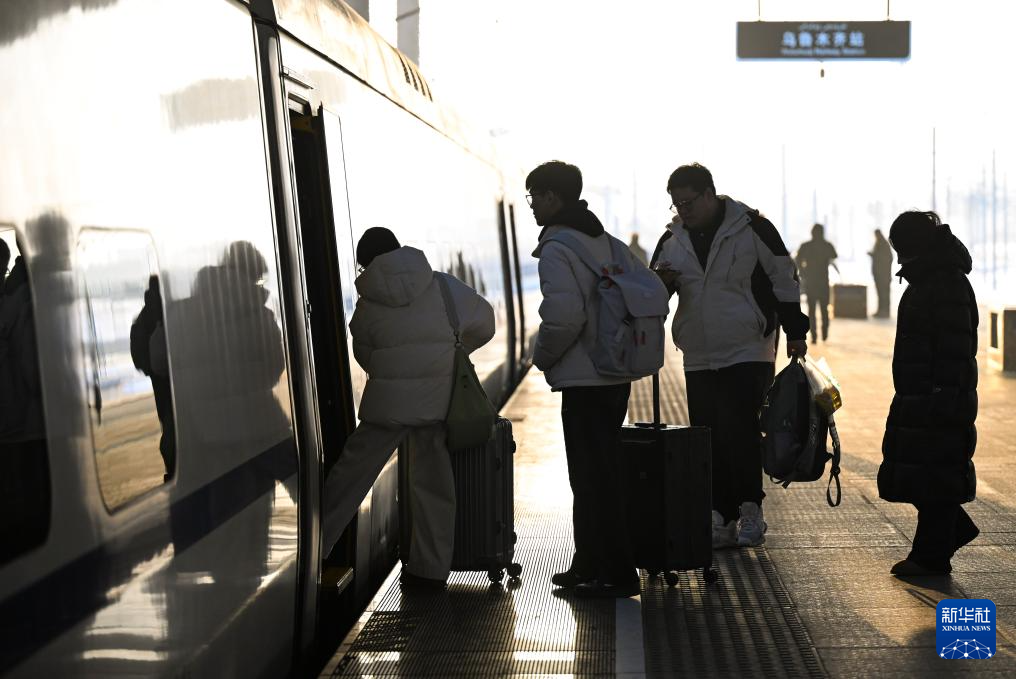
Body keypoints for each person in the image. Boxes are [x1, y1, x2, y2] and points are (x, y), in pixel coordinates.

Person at [321, 227, 494, 590]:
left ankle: (316, 549)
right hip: (436, 402)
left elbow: (364, 352)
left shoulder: (367, 301)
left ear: (366, 262)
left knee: (350, 478)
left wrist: (393, 370)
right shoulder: (443, 285)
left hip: (387, 406)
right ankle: (429, 571)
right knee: (433, 486)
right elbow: (486, 323)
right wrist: (450, 355)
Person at [651, 163, 809, 548]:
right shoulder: (672, 239)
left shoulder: (753, 228)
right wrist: (661, 286)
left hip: (748, 346)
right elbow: (651, 291)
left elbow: (784, 279)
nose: (683, 210)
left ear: (709, 194)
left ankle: (751, 509)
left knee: (740, 430)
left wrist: (795, 331)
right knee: (707, 435)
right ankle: (720, 514)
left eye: (688, 202)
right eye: (676, 204)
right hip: (699, 352)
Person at [527, 160, 640, 598]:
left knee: (591, 478)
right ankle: (592, 563)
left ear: (553, 197)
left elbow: (564, 316)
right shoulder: (605, 242)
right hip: (613, 372)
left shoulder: (558, 248)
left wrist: (542, 357)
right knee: (602, 473)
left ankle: (612, 571)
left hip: (585, 378)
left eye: (535, 196)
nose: (532, 205)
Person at [879, 211, 979, 576]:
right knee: (923, 471)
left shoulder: (945, 283)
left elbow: (954, 347)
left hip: (939, 396)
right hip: (921, 392)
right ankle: (952, 531)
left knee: (935, 475)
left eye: (901, 249)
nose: (899, 258)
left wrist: (941, 396)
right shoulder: (930, 278)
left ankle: (930, 556)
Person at [795, 223, 839, 343]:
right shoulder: (827, 245)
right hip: (823, 281)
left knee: (811, 310)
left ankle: (814, 335)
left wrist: (803, 272)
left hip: (811, 282)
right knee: (824, 309)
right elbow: (834, 255)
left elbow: (797, 259)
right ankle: (824, 333)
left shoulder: (806, 246)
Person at [869, 229, 894, 318]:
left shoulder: (883, 245)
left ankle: (885, 311)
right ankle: (880, 311)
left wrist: (874, 255)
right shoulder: (879, 244)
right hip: (879, 275)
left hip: (884, 276)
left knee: (884, 294)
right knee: (880, 294)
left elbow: (887, 258)